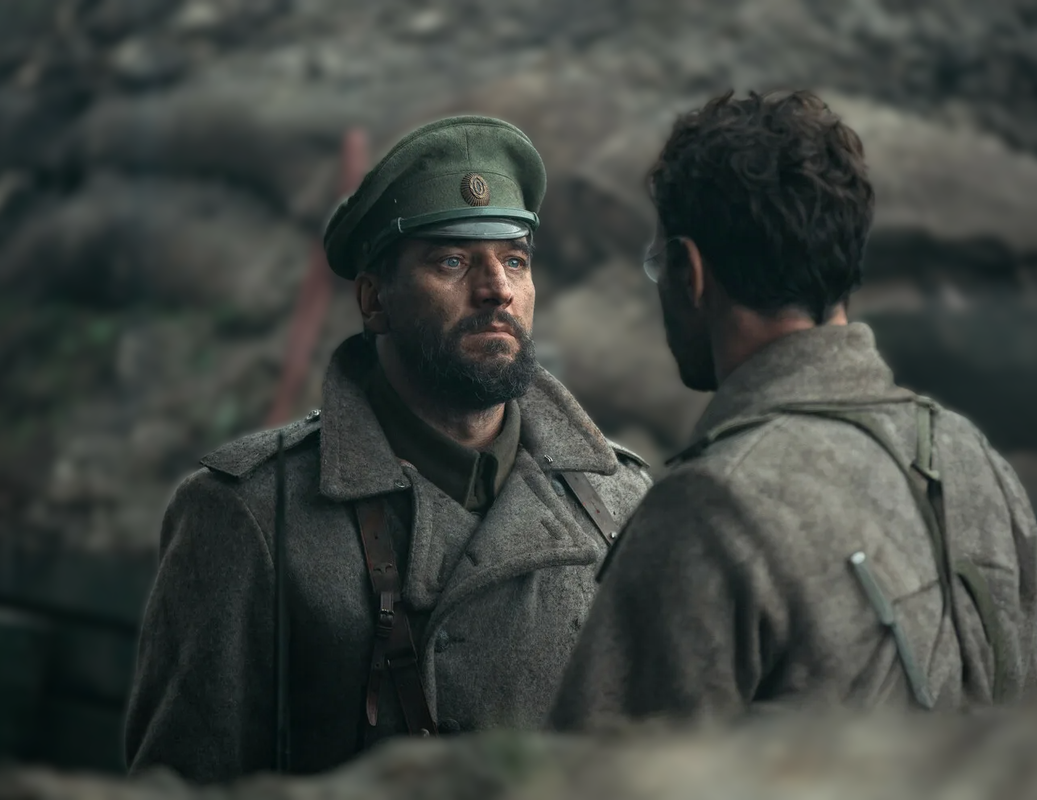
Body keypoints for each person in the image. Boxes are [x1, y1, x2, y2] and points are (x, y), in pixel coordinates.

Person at [125, 115, 652, 783]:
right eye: (452, 261)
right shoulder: (252, 513)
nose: (497, 288)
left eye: (514, 260)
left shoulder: (617, 502)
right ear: (375, 300)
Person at [547, 90, 1037, 730]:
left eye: (659, 263)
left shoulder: (709, 506)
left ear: (690, 272)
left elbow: (596, 772)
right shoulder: (974, 460)